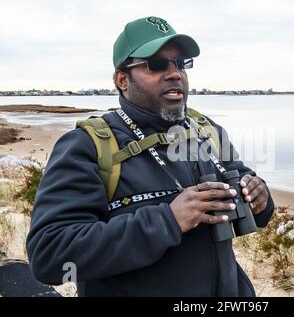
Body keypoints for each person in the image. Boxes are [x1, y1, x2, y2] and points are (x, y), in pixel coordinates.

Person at [26, 16, 275, 297]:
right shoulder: (87, 145)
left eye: (181, 63)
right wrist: (167, 220)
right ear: (122, 80)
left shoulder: (206, 131)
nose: (174, 73)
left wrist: (260, 196)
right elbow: (50, 256)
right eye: (156, 64)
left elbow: (244, 180)